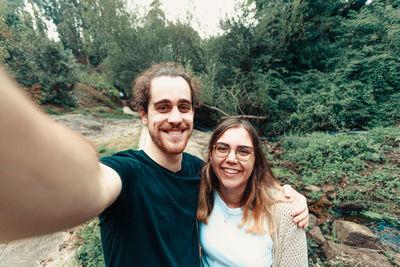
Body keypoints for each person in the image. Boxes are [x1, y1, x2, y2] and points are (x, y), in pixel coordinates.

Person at [0, 62, 308, 266]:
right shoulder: (126, 172)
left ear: (192, 115)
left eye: (183, 107)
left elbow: (238, 177)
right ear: (144, 114)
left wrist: (287, 195)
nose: (175, 117)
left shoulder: (196, 172)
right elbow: (86, 186)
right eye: (163, 107)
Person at [197, 118, 308, 266]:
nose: (231, 159)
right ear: (211, 154)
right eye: (222, 148)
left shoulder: (286, 214)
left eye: (243, 151)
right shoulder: (200, 193)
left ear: (256, 159)